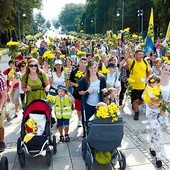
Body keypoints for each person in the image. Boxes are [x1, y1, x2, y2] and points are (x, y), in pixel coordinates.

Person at [78, 60, 106, 137]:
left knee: (98, 120)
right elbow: (80, 92)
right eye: (91, 68)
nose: (93, 70)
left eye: (95, 67)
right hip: (87, 104)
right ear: (88, 68)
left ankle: (97, 135)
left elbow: (104, 89)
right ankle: (86, 134)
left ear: (97, 68)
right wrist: (86, 91)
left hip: (99, 104)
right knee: (86, 120)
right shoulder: (84, 80)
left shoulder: (102, 78)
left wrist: (104, 91)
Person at [124, 49, 152, 120]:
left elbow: (149, 71)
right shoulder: (132, 61)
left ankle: (134, 105)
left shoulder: (145, 62)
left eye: (142, 54)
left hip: (142, 86)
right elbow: (126, 58)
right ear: (135, 55)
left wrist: (147, 78)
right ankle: (136, 113)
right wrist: (128, 50)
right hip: (133, 86)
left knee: (141, 100)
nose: (141, 56)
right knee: (135, 100)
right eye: (139, 54)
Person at [69, 57, 87, 127]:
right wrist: (75, 84)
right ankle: (79, 119)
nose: (83, 64)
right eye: (81, 62)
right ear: (79, 63)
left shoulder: (87, 71)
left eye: (84, 63)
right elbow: (70, 82)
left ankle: (85, 119)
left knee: (85, 107)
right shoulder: (74, 71)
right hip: (77, 93)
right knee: (78, 108)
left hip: (86, 92)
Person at [0, 70, 7, 152]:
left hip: (0, 104)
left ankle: (1, 141)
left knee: (0, 125)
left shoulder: (0, 79)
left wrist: (0, 108)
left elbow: (4, 95)